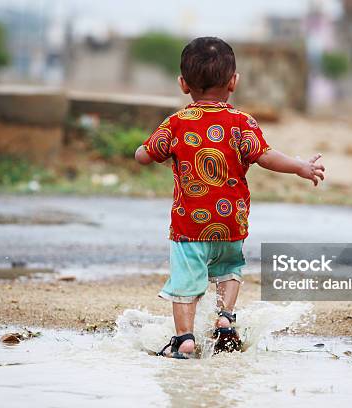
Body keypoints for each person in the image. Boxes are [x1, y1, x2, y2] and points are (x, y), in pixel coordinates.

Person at [135, 37, 325, 359]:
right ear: (233, 82)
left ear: (183, 84)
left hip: (190, 226)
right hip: (230, 222)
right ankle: (225, 318)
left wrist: (142, 151)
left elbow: (146, 155)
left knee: (185, 282)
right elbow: (266, 155)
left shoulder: (177, 123)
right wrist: (300, 167)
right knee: (230, 267)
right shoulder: (241, 123)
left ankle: (184, 338)